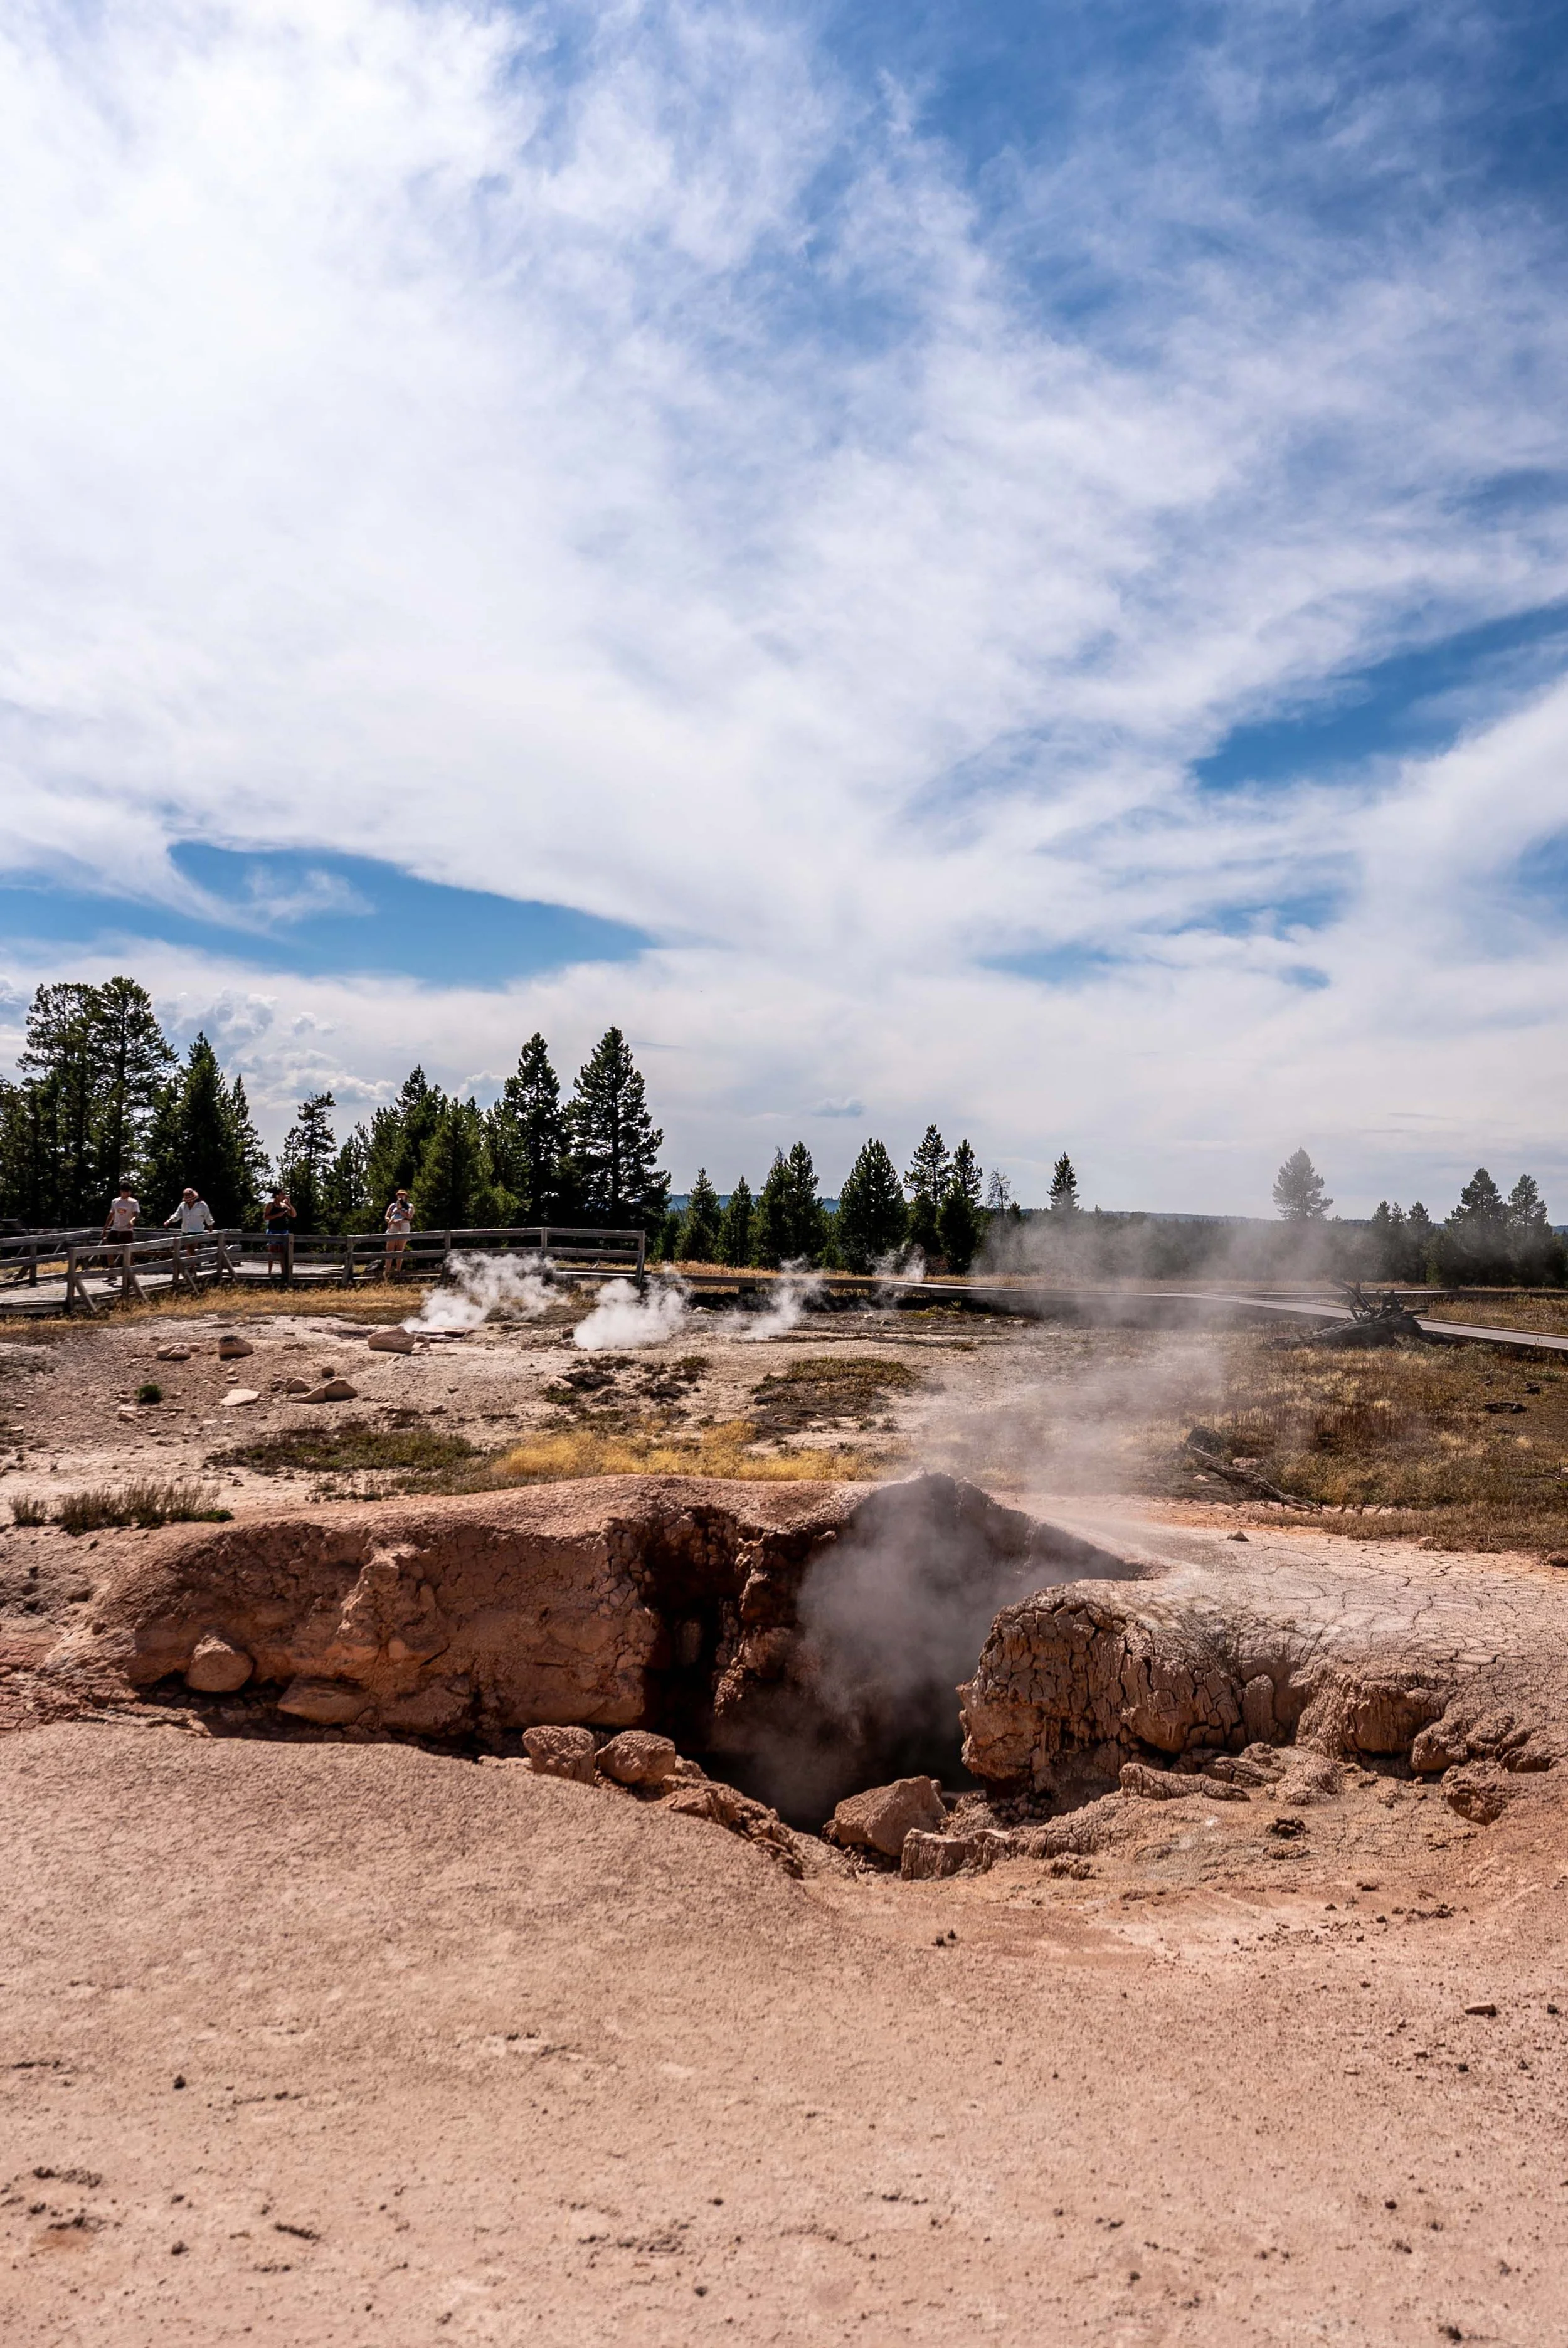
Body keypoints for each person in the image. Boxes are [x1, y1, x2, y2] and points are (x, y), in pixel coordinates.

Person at [102, 1180, 140, 1288]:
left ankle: (130, 1276)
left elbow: (136, 1215)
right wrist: (105, 1228)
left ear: (130, 1192)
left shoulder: (133, 1202)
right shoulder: (115, 1202)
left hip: (127, 1230)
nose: (125, 1194)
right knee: (110, 1249)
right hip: (115, 1228)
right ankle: (112, 1273)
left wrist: (132, 1221)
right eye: (123, 1192)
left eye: (127, 1192)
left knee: (128, 1253)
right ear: (121, 1191)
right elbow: (111, 1215)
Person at [164, 1187, 216, 1265]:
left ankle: (193, 1267)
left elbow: (208, 1217)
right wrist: (169, 1221)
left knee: (192, 1249)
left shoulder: (202, 1205)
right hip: (186, 1230)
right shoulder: (183, 1205)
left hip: (197, 1231)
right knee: (189, 1249)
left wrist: (210, 1229)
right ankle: (193, 1267)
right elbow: (177, 1215)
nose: (189, 1202)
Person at [263, 1187, 296, 1278]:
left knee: (284, 1251)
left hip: (283, 1230)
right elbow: (266, 1217)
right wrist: (277, 1215)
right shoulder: (271, 1205)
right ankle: (269, 1272)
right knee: (272, 1250)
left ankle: (284, 1272)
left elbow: (293, 1215)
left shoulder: (284, 1206)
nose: (284, 1196)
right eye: (282, 1194)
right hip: (273, 1230)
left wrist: (289, 1204)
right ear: (277, 1195)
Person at [383, 1188, 413, 1279]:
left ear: (406, 1197)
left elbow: (410, 1217)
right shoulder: (393, 1206)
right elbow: (386, 1217)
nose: (400, 1196)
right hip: (394, 1225)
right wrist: (392, 1221)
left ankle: (398, 1271)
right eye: (398, 1195)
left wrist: (400, 1211)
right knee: (390, 1249)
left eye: (402, 1195)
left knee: (400, 1250)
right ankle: (387, 1273)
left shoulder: (410, 1206)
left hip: (404, 1225)